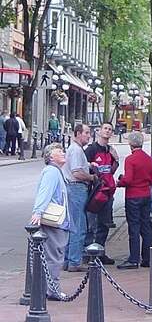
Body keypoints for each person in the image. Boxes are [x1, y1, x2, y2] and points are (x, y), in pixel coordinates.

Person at [30, 143, 70, 300]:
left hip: (58, 222)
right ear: (51, 157)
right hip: (55, 222)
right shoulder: (52, 172)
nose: (63, 153)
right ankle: (53, 290)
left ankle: (49, 288)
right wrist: (38, 212)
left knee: (53, 255)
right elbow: (44, 192)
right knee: (54, 256)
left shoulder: (55, 171)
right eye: (59, 151)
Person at [116, 131, 152, 269]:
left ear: (130, 144)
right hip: (146, 195)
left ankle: (133, 258)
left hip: (133, 196)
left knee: (134, 227)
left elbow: (128, 179)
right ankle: (147, 258)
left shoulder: (130, 159)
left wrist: (119, 182)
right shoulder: (149, 159)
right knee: (146, 226)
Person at [63, 123, 98, 272]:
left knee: (72, 225)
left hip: (72, 188)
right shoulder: (77, 151)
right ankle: (75, 261)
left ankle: (67, 259)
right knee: (79, 226)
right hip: (77, 188)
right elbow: (76, 172)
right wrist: (91, 177)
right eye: (86, 132)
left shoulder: (75, 150)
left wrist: (88, 164)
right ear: (77, 134)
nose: (88, 135)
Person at [84, 121, 119, 264]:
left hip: (107, 192)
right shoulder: (91, 150)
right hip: (94, 192)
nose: (107, 131)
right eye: (105, 128)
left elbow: (111, 171)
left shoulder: (110, 150)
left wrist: (116, 159)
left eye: (110, 129)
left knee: (104, 223)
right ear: (99, 131)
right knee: (90, 223)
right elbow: (84, 168)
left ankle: (100, 251)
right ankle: (86, 251)